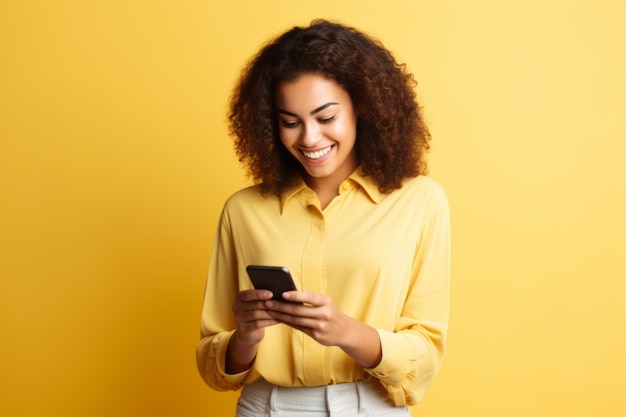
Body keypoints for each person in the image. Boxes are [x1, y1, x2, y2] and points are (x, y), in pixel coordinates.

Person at [196, 19, 450, 416]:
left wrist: (348, 332)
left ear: (362, 108)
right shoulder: (243, 211)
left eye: (326, 117)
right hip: (266, 406)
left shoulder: (419, 202)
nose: (309, 139)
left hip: (372, 406)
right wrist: (244, 336)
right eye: (290, 122)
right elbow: (213, 367)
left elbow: (426, 355)